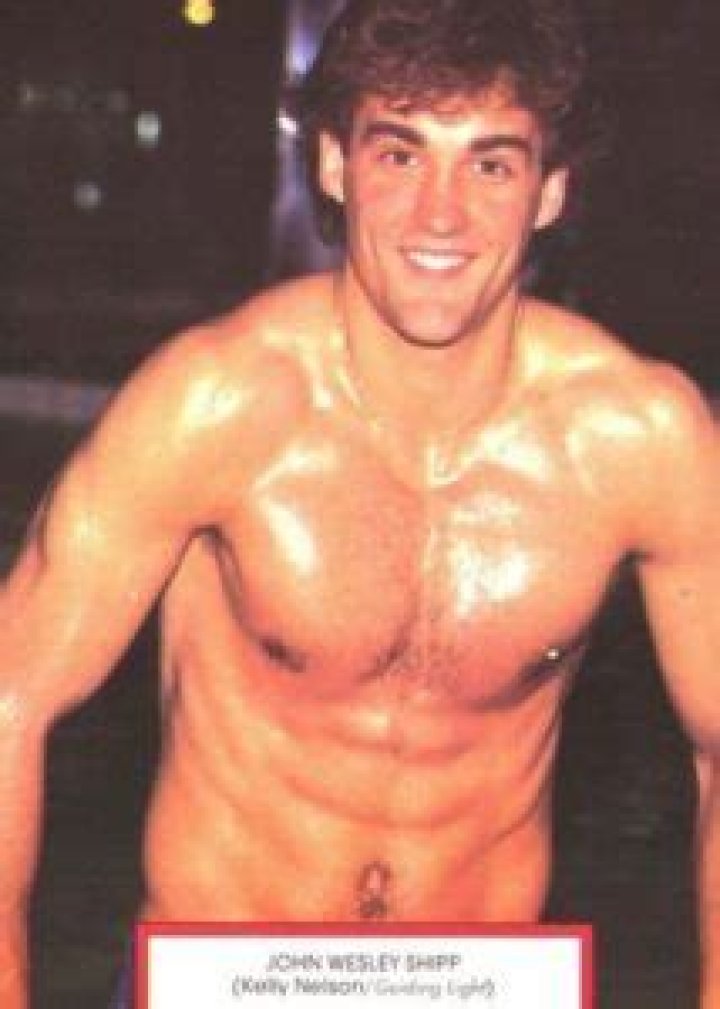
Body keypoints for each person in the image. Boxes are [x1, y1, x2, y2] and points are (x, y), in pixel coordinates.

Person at [0, 0, 718, 1006]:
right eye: (399, 154)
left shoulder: (637, 437)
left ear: (550, 189)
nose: (440, 216)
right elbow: (11, 696)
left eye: (491, 164)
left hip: (476, 986)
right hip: (230, 980)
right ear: (335, 165)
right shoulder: (218, 403)